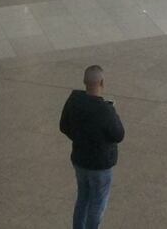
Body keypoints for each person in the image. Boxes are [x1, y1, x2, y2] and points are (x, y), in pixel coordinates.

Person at [59, 65, 125, 229]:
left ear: (84, 81)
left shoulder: (74, 100)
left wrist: (79, 138)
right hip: (100, 165)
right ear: (102, 82)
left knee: (83, 198)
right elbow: (118, 135)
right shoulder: (105, 110)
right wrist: (113, 111)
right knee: (97, 203)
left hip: (80, 160)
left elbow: (64, 126)